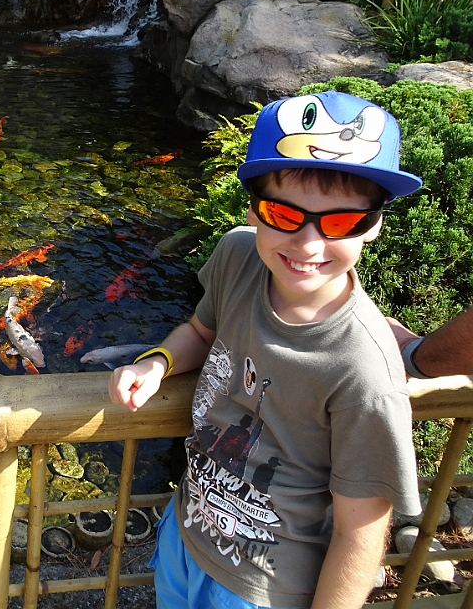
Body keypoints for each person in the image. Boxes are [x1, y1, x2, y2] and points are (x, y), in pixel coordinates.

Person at [105, 91, 424, 609]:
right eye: (283, 213)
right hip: (186, 532)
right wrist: (157, 362)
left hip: (263, 589)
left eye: (342, 222)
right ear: (255, 209)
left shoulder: (364, 368)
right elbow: (201, 331)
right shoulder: (238, 256)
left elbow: (360, 534)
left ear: (375, 224)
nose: (309, 244)